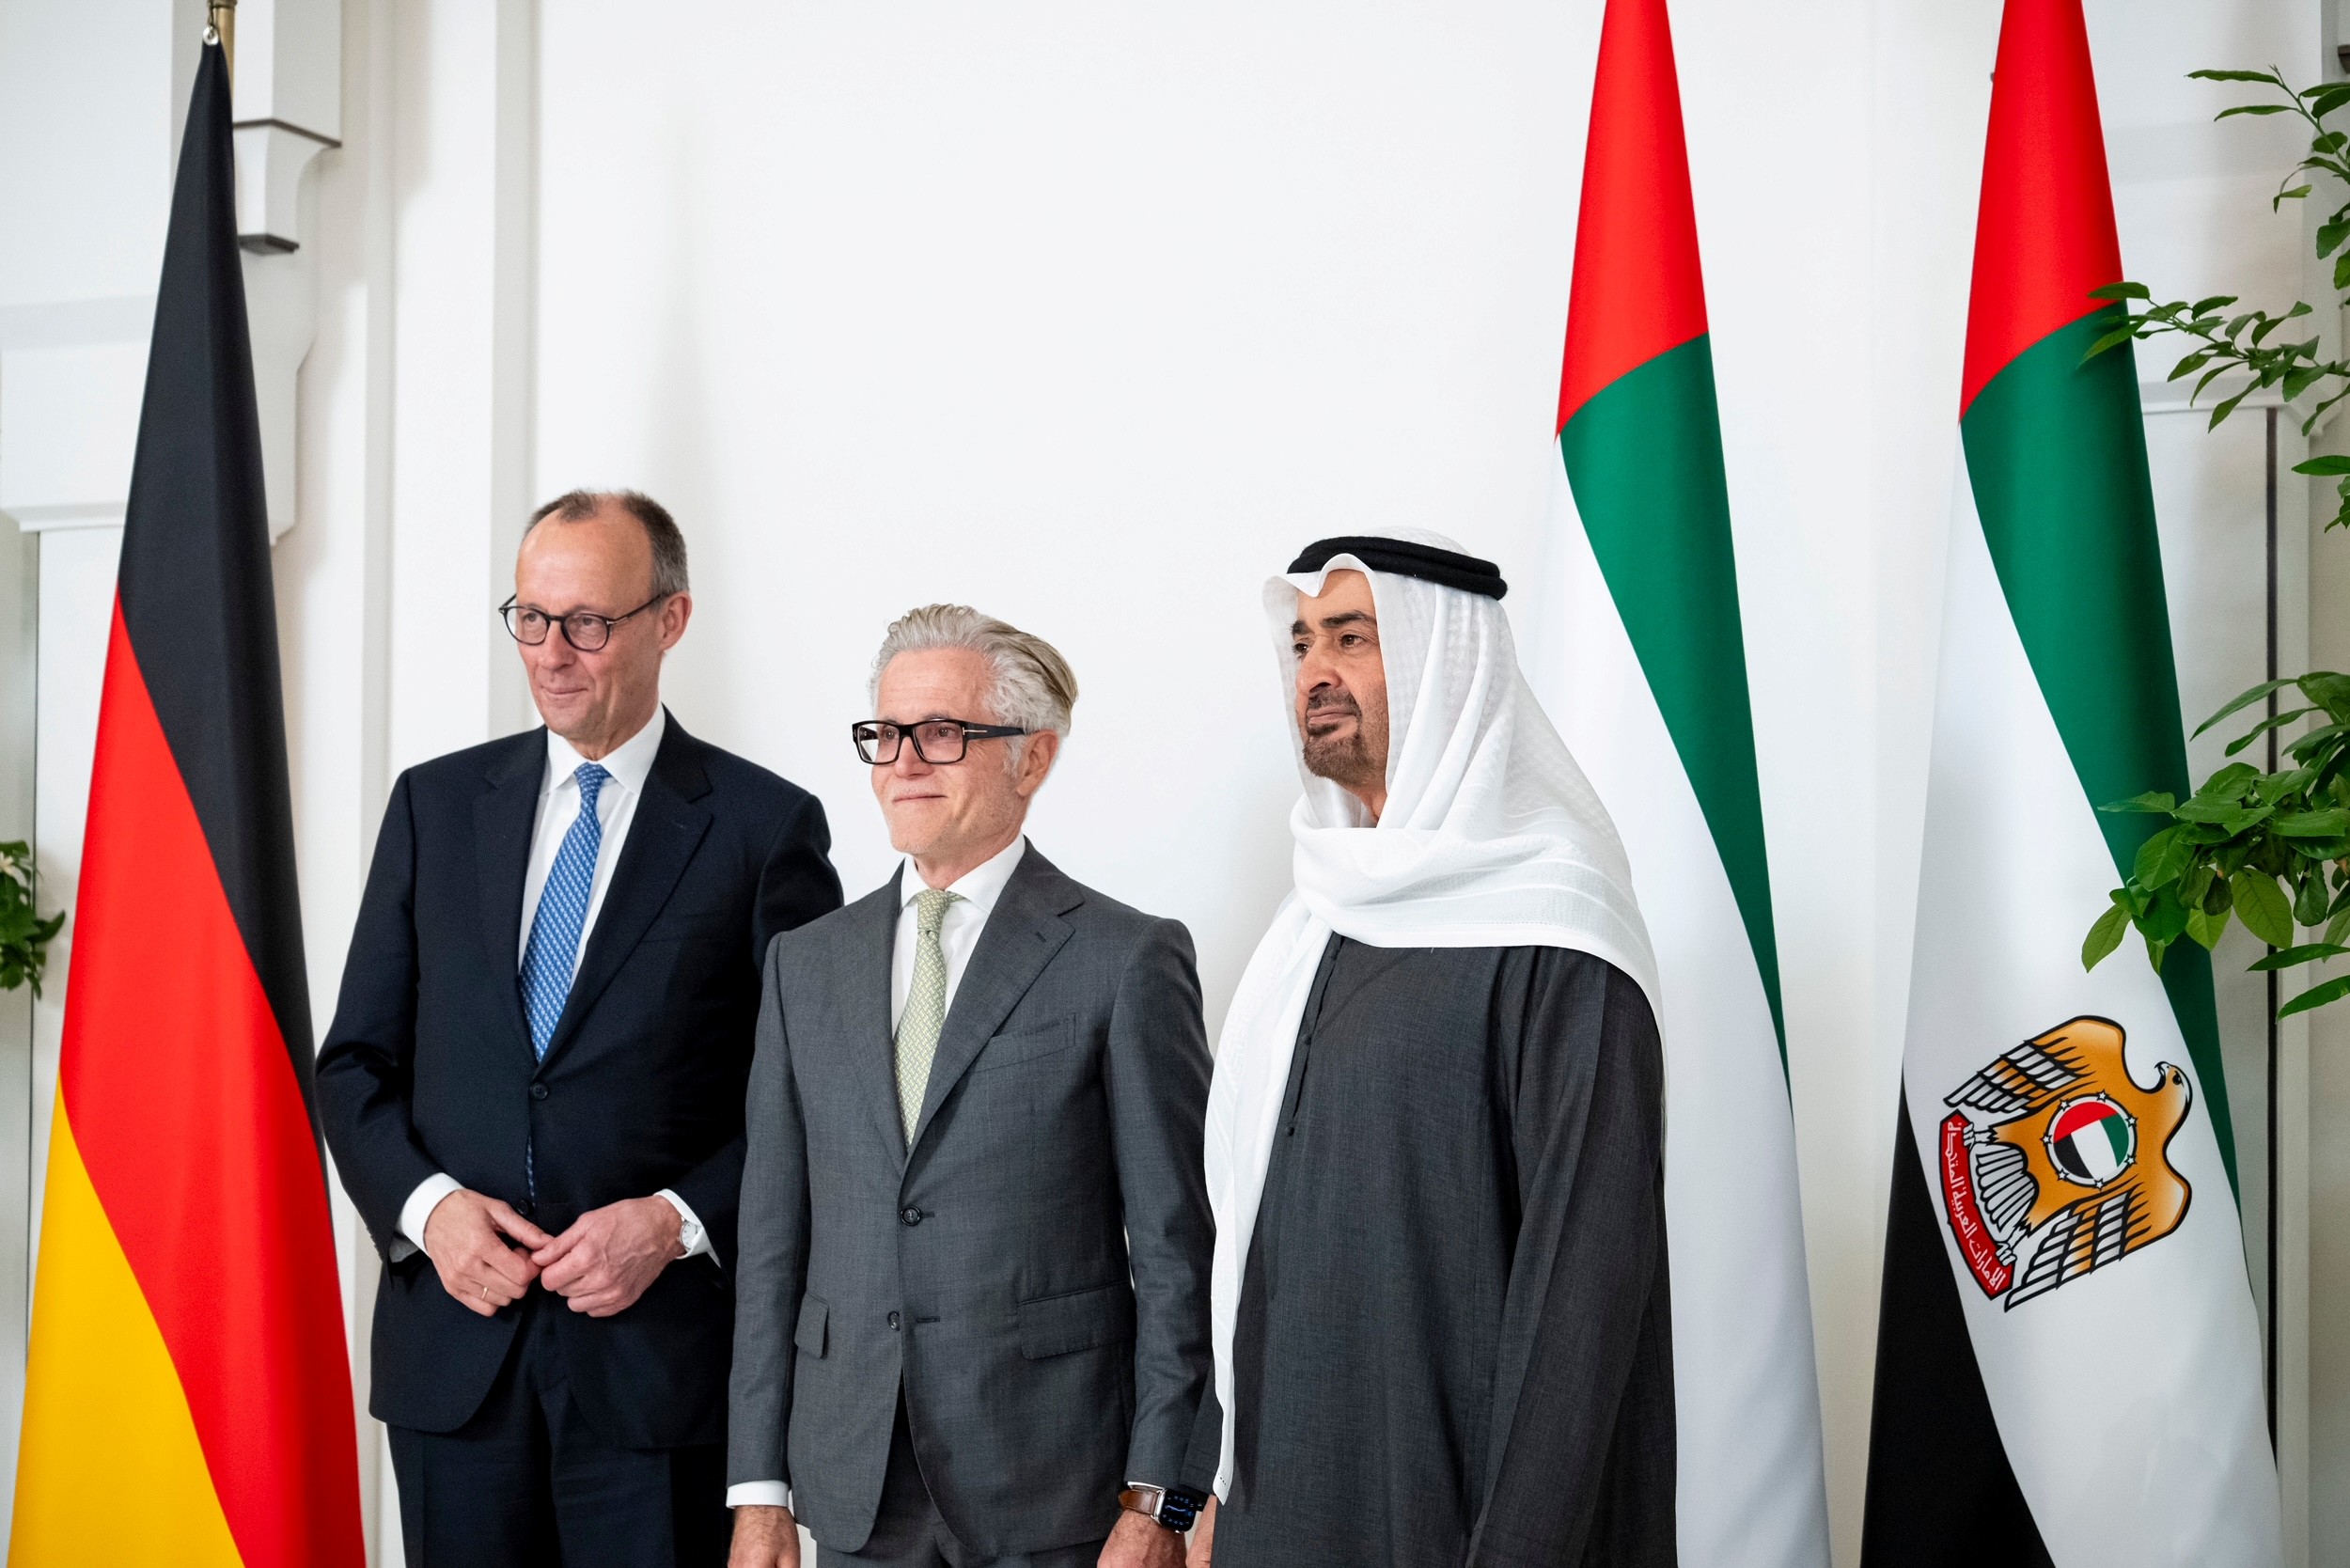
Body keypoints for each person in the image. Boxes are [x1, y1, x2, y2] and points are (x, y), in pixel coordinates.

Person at [316, 490, 843, 1566]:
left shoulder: (763, 828)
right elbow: (355, 1064)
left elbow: (815, 1096)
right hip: (456, 1370)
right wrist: (431, 1213)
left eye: (589, 623)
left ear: (671, 620)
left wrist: (677, 1219)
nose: (553, 654)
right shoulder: (434, 804)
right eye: (531, 618)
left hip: (659, 1384)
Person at [1189, 532, 1675, 1568]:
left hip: (1455, 1522)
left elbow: (1579, 1308)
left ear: (1443, 662)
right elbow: (1242, 1248)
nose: (1313, 671)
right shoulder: (1311, 922)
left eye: (1351, 639)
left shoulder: (1557, 931)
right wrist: (1205, 1490)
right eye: (1303, 642)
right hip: (1279, 1511)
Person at [727, 605, 1215, 1568]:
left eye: (943, 733)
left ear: (1031, 760)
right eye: (886, 732)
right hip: (852, 1481)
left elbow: (1174, 1252)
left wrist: (1158, 1499)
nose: (903, 760)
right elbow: (772, 1244)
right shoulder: (804, 966)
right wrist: (757, 1489)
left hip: (1053, 1483)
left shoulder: (1126, 959)